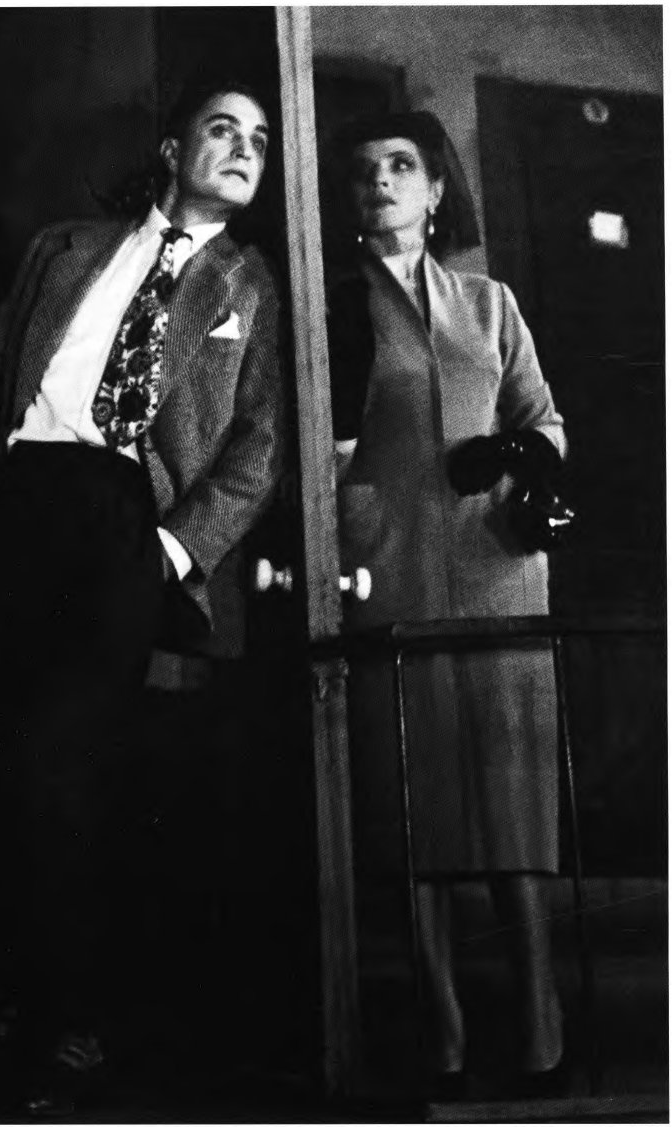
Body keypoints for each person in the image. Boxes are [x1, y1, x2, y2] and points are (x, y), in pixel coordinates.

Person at [0, 74, 283, 1112]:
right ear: (174, 150)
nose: (245, 147)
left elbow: (259, 444)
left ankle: (66, 1022)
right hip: (18, 508)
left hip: (125, 524)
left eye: (259, 138)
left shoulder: (249, 282)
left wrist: (173, 552)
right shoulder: (65, 246)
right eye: (222, 128)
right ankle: (2, 1007)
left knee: (60, 765)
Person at [326, 111, 573, 1096]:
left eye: (401, 166)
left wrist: (514, 451)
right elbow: (322, 445)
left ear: (434, 190)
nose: (380, 180)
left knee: (512, 790)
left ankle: (541, 1013)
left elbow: (543, 418)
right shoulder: (334, 307)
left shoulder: (487, 302)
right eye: (363, 169)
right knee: (412, 792)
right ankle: (443, 1026)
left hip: (495, 563)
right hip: (388, 561)